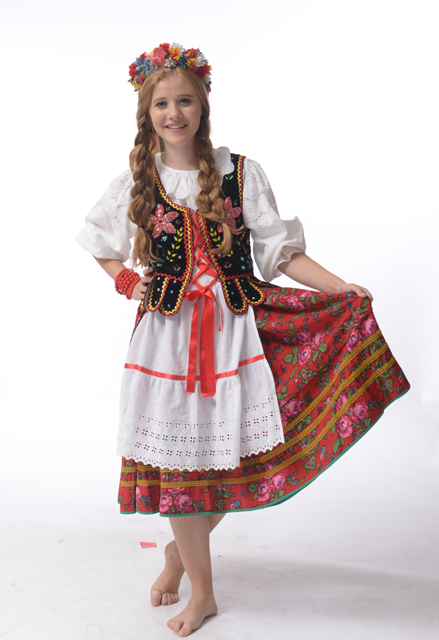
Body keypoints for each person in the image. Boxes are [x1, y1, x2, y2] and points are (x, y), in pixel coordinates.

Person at [75, 43, 410, 637]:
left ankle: (180, 553)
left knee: (240, 455)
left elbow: (283, 253)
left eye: (184, 101)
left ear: (202, 106)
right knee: (183, 465)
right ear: (146, 112)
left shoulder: (240, 174)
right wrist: (130, 282)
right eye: (162, 103)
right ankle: (203, 594)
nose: (174, 113)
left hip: (240, 332)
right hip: (168, 340)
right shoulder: (139, 180)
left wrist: (339, 287)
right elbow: (100, 243)